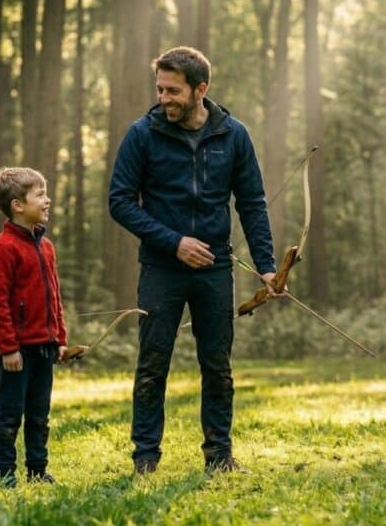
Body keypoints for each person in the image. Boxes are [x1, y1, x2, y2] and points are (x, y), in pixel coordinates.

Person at [109, 46, 278, 475]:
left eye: (173, 90)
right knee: (152, 364)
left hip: (216, 269)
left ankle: (219, 457)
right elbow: (120, 202)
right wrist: (174, 242)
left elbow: (253, 203)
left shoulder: (234, 134)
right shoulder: (141, 134)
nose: (164, 98)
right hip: (161, 268)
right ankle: (145, 459)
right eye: (160, 89)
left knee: (217, 366)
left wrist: (268, 264)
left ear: (201, 89)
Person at [0, 167, 67, 488]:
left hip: (44, 346)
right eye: (40, 195)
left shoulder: (46, 247)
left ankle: (37, 470)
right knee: (9, 415)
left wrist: (59, 338)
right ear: (18, 205)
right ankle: (6, 474)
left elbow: (55, 296)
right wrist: (8, 348)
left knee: (39, 413)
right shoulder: (3, 249)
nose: (47, 200)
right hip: (16, 352)